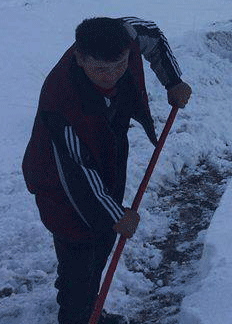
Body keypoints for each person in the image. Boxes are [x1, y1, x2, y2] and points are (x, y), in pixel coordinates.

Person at [22, 17, 192, 324]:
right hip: (58, 183)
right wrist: (115, 216)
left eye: (120, 64)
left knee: (99, 246)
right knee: (80, 249)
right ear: (79, 57)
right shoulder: (61, 104)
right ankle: (78, 315)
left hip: (104, 151)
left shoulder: (123, 33)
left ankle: (85, 301)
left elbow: (151, 35)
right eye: (100, 68)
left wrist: (173, 80)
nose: (111, 75)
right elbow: (78, 176)